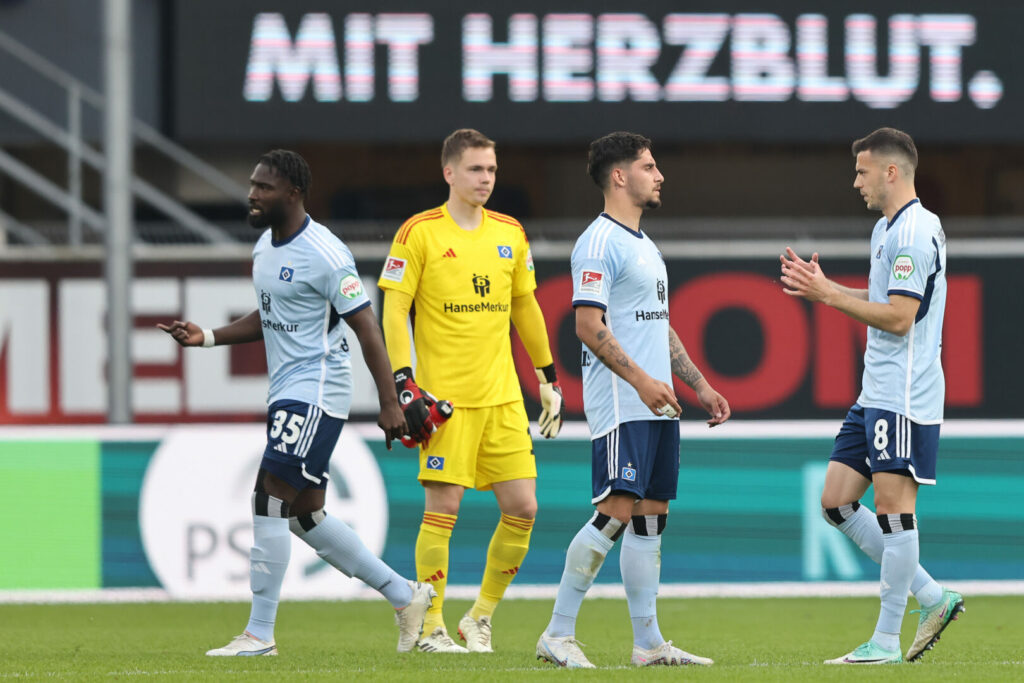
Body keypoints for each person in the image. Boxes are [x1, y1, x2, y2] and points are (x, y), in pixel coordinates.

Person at [159, 149, 434, 656]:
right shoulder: (265, 246)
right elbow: (268, 316)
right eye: (252, 183)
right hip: (286, 391)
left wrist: (389, 401)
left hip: (316, 391)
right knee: (305, 516)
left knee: (268, 495)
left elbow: (366, 326)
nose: (252, 193)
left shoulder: (326, 253)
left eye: (263, 186)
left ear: (293, 193)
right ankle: (405, 595)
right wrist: (208, 337)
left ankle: (259, 634)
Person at [536, 131, 731, 669]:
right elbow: (586, 325)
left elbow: (658, 326)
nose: (659, 175)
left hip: (655, 403)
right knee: (615, 510)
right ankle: (556, 633)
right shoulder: (598, 242)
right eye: (649, 166)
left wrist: (698, 383)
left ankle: (647, 644)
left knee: (651, 516)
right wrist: (642, 382)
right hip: (623, 404)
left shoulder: (645, 246)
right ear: (619, 176)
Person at [780, 127, 963, 664]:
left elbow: (901, 318)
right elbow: (886, 298)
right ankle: (933, 596)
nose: (855, 181)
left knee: (892, 508)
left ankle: (884, 641)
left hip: (903, 393)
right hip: (876, 391)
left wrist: (829, 294)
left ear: (891, 171)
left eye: (862, 171)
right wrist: (827, 287)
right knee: (836, 502)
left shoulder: (913, 232)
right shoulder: (888, 229)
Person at [377, 128, 564, 654]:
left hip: (503, 397)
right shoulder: (419, 233)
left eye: (492, 170)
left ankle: (478, 617)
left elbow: (525, 306)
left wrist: (547, 378)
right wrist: (402, 382)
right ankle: (431, 625)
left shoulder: (510, 232)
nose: (486, 179)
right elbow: (394, 308)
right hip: (446, 401)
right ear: (449, 173)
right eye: (477, 169)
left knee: (524, 507)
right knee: (444, 509)